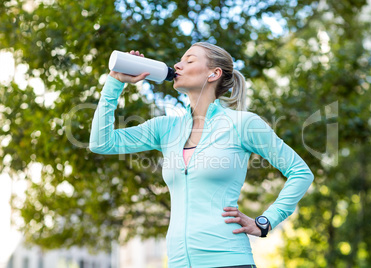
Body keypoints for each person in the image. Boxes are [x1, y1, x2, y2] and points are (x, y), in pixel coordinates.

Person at [89, 42, 314, 268]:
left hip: (229, 259)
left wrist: (266, 222)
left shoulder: (242, 123)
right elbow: (101, 142)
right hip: (178, 262)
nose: (178, 65)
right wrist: (115, 82)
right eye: (180, 60)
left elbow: (300, 172)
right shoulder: (165, 128)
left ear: (213, 73)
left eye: (189, 60)